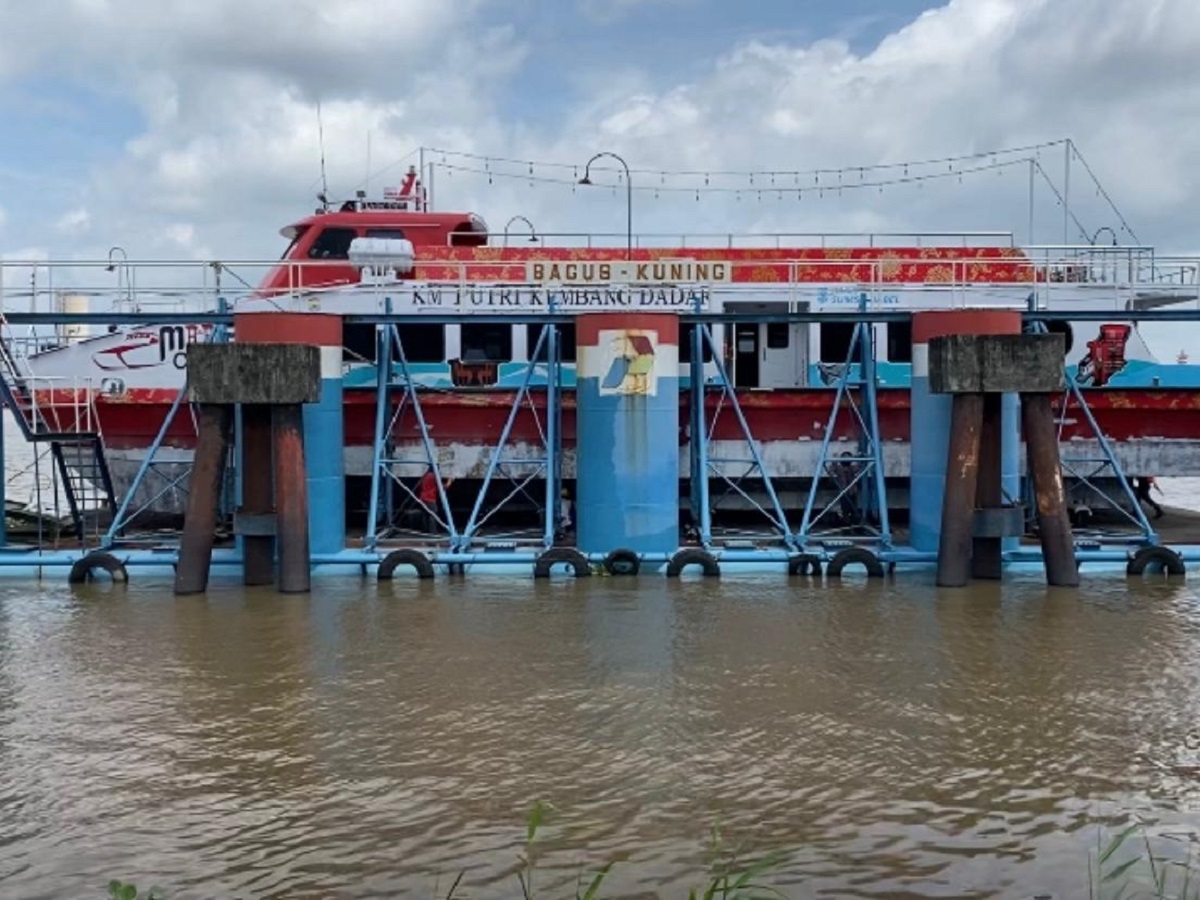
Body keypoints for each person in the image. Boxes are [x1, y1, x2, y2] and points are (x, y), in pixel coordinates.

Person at [417, 466, 453, 533]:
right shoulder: (434, 476)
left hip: (422, 497)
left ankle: (425, 530)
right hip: (430, 498)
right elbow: (442, 487)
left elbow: (420, 484)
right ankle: (433, 531)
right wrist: (449, 482)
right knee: (433, 515)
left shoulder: (425, 475)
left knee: (425, 514)